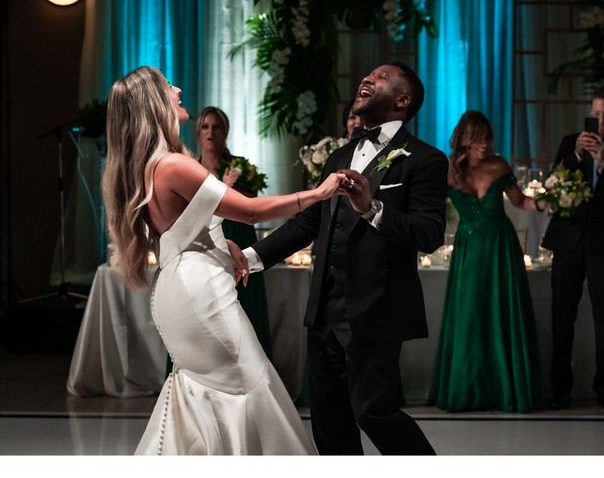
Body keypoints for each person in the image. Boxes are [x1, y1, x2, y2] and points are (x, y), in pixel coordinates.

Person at [102, 66, 345, 455]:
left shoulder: (149, 164)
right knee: (249, 384)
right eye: (168, 86)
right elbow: (248, 211)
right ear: (153, 102)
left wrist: (220, 242)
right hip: (202, 295)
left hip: (179, 287)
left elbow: (187, 226)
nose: (177, 89)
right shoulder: (174, 164)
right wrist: (319, 193)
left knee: (210, 392)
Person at [242, 62, 447, 455]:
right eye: (366, 74)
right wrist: (249, 258)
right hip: (323, 312)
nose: (367, 78)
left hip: (376, 308)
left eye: (381, 77)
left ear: (402, 101)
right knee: (329, 421)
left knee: (374, 412)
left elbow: (429, 234)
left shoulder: (424, 159)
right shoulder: (340, 155)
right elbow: (307, 224)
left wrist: (373, 209)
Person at [427, 110, 542, 413]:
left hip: (501, 246)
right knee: (469, 314)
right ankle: (465, 389)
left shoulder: (499, 164)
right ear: (464, 139)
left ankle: (505, 389)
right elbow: (430, 207)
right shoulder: (450, 171)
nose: (485, 144)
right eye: (478, 138)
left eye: (487, 137)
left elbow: (521, 202)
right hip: (469, 248)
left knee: (501, 311)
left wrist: (550, 202)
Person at [541, 83, 604, 412]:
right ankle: (560, 390)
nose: (599, 120)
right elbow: (552, 180)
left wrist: (602, 164)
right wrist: (577, 155)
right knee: (562, 316)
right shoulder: (571, 143)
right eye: (595, 113)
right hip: (568, 238)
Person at [195, 106, 270, 357]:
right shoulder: (190, 169)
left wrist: (233, 190)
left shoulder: (241, 167)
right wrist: (221, 187)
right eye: (205, 126)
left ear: (225, 132)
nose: (210, 132)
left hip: (239, 234)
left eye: (216, 126)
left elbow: (254, 205)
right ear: (198, 132)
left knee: (244, 303)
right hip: (205, 237)